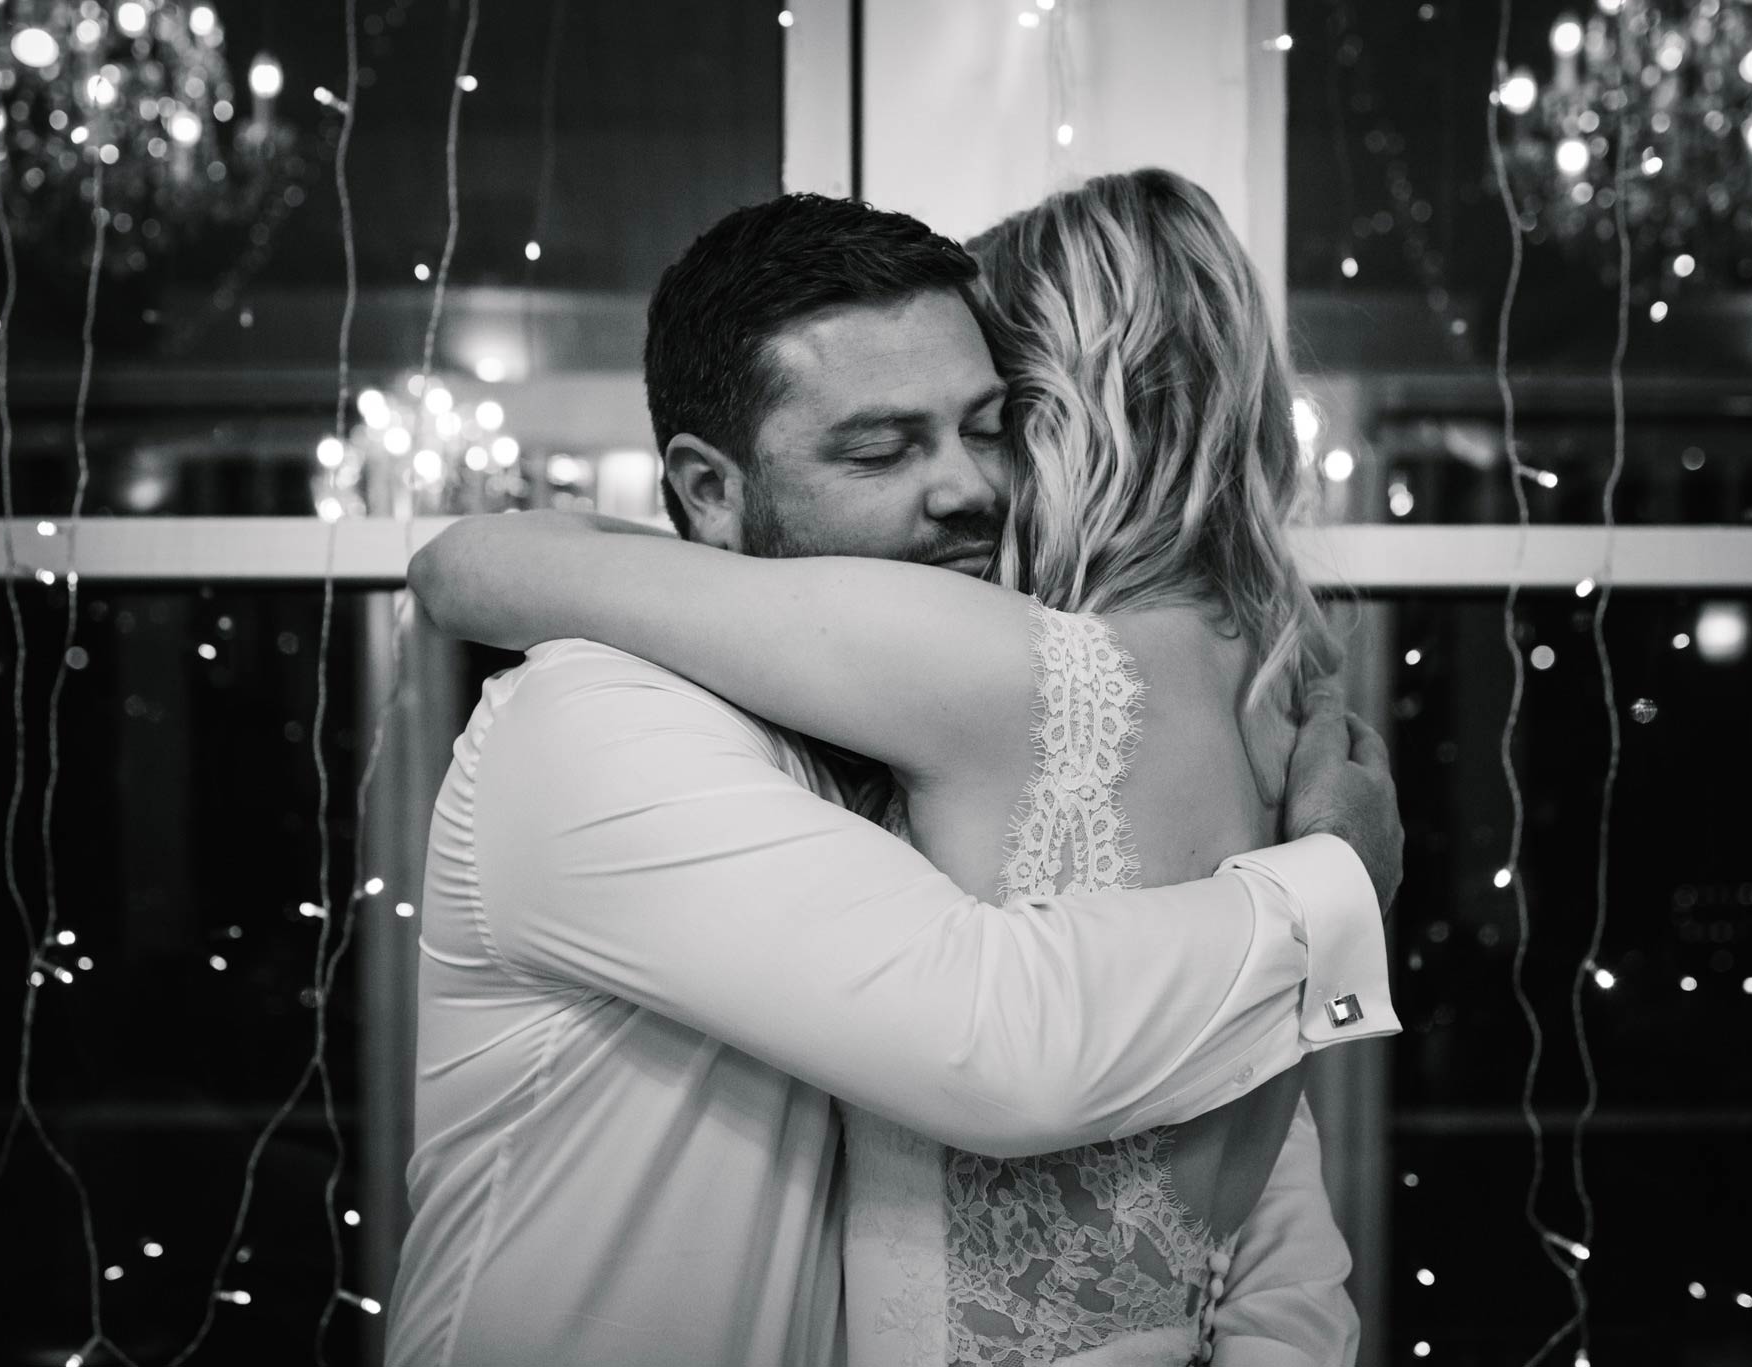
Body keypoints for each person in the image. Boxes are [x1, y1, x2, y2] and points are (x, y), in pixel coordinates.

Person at [392, 186, 1402, 1367]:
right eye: (881, 446)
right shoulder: (593, 725)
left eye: (987, 427)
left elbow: (1227, 1136)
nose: (968, 489)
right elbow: (996, 1033)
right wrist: (1330, 887)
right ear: (709, 491)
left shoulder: (929, 725)